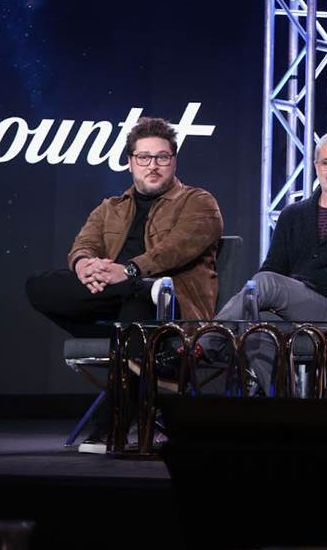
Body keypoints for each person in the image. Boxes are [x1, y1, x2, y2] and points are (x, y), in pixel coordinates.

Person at [26, 116, 223, 450]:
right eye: (144, 157)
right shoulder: (111, 207)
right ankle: (122, 335)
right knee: (39, 286)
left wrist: (130, 270)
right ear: (130, 162)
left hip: (169, 303)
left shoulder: (198, 201)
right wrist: (85, 265)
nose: (153, 165)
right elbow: (84, 243)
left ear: (174, 161)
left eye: (162, 157)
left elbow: (175, 249)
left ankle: (110, 427)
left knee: (141, 296)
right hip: (117, 295)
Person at [209, 129, 327, 394]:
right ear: (316, 166)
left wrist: (295, 284)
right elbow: (273, 267)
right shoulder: (293, 215)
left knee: (266, 284)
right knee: (256, 327)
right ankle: (287, 404)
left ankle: (205, 343)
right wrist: (292, 288)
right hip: (292, 312)